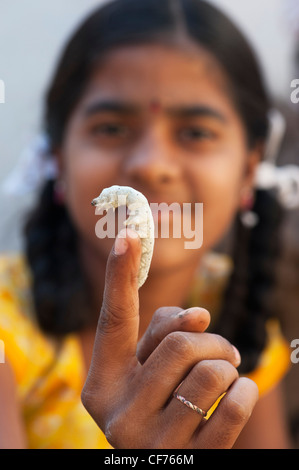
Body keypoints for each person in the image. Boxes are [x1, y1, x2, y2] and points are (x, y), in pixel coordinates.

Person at [0, 0, 292, 449]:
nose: (151, 166)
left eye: (196, 132)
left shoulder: (244, 329)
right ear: (57, 160)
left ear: (249, 171)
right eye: (112, 128)